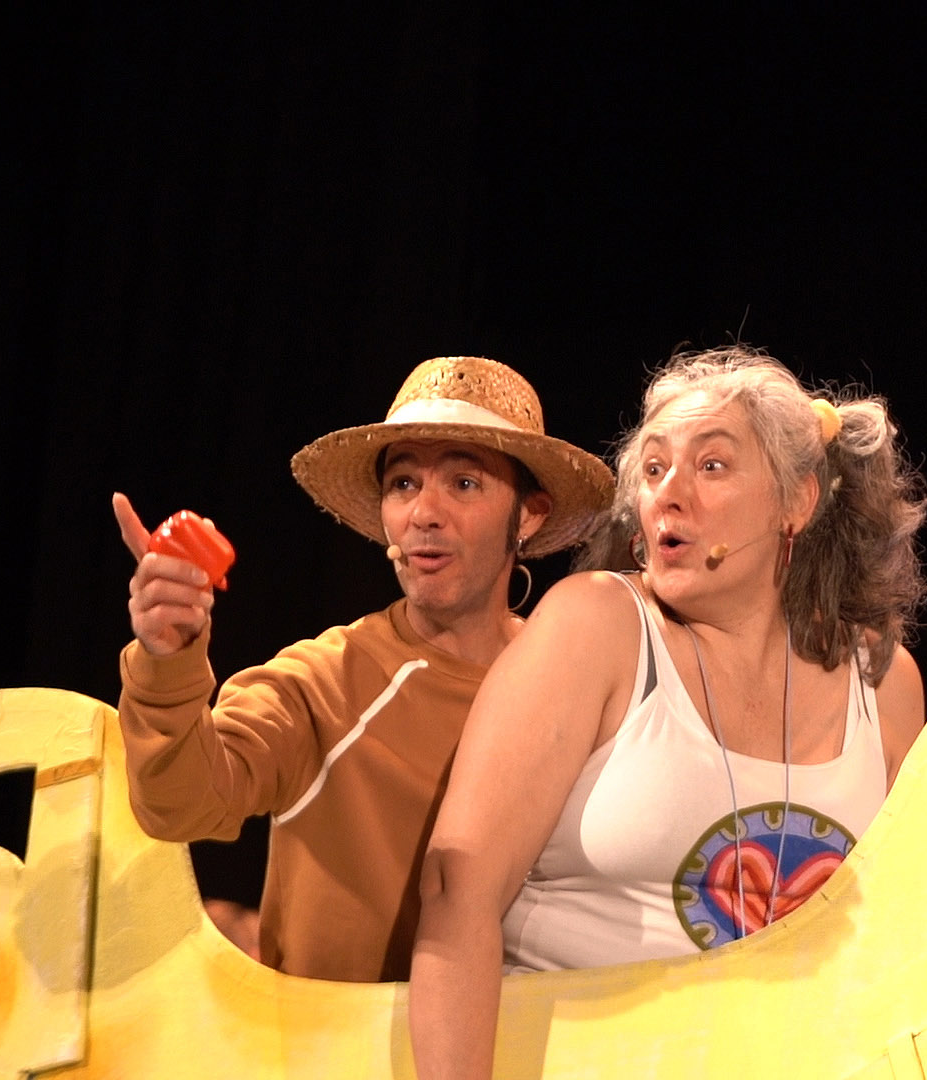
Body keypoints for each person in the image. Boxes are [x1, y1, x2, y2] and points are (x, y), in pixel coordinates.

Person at [409, 345, 927, 1078]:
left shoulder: (882, 683)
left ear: (797, 502)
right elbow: (456, 893)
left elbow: (910, 940)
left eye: (711, 466)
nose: (669, 494)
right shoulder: (597, 627)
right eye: (654, 469)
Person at [111, 356, 613, 983]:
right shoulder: (325, 681)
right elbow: (180, 805)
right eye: (403, 484)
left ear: (530, 515)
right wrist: (168, 660)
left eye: (464, 483)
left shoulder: (581, 682)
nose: (423, 513)